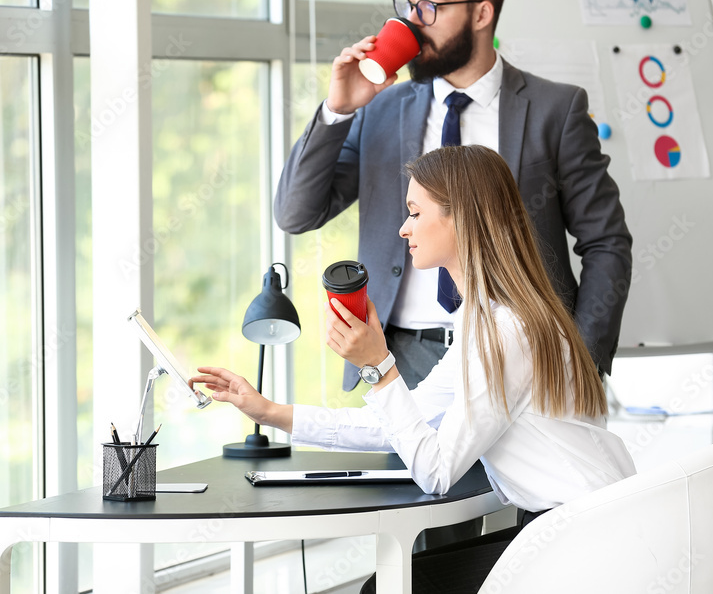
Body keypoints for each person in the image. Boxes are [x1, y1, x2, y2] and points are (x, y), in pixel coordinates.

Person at [195, 146, 636, 594]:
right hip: (585, 523)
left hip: (582, 540)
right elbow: (404, 420)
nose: (404, 228)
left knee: (390, 587)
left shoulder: (500, 330)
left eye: (414, 212)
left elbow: (437, 471)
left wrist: (379, 365)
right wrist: (269, 412)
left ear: (460, 217)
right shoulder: (489, 318)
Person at [274, 0, 633, 393]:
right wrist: (338, 110)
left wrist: (579, 359)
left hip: (522, 356)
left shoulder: (554, 110)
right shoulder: (381, 109)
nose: (411, 25)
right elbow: (296, 214)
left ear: (481, 12)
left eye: (430, 7)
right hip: (401, 359)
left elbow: (606, 242)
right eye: (407, 6)